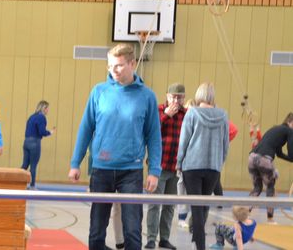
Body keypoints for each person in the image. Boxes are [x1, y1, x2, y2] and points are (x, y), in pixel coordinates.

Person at [68, 43, 161, 250]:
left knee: (132, 231)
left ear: (132, 63)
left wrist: (154, 170)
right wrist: (76, 162)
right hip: (101, 169)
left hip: (132, 171)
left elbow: (154, 136)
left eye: (118, 66)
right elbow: (86, 128)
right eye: (110, 66)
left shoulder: (147, 96)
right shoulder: (99, 92)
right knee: (97, 229)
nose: (114, 70)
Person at [177, 82, 230, 250]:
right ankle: (197, 239)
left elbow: (184, 141)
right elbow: (225, 144)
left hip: (192, 166)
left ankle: (199, 244)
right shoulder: (223, 115)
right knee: (204, 205)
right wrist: (219, 162)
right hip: (213, 167)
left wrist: (179, 162)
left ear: (199, 94)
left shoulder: (192, 114)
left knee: (196, 206)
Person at [146, 83, 186, 250]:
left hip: (176, 166)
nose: (176, 100)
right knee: (154, 204)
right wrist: (166, 116)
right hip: (159, 166)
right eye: (173, 97)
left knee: (170, 205)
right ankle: (151, 239)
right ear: (167, 96)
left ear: (184, 98)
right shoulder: (158, 111)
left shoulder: (186, 114)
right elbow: (149, 131)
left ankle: (164, 238)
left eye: (179, 97)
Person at [248, 112, 293, 224]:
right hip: (264, 159)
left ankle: (243, 214)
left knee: (257, 188)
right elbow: (291, 151)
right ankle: (270, 218)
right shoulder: (289, 131)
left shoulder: (276, 130)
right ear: (290, 122)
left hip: (252, 158)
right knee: (270, 187)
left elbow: (279, 154)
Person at [21, 100, 53, 189]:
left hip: (26, 142)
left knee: (24, 165)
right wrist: (49, 132)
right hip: (35, 142)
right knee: (33, 165)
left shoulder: (32, 117)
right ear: (44, 108)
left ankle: (18, 183)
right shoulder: (41, 118)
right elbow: (42, 132)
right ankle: (32, 185)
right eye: (48, 109)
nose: (48, 111)